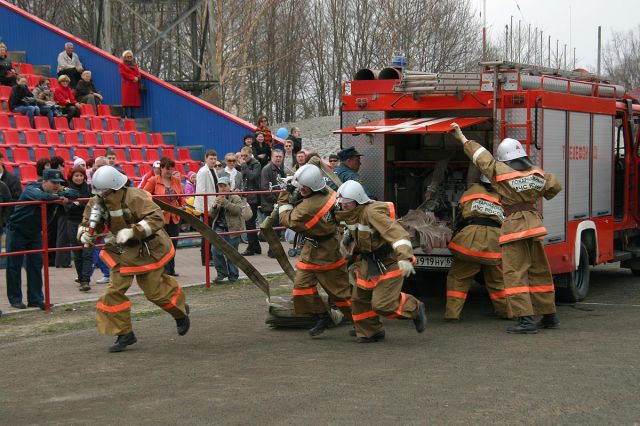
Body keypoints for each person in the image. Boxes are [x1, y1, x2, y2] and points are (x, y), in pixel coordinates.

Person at [450, 123, 562, 334]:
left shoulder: (500, 171)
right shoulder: (538, 173)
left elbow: (481, 158)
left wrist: (462, 138)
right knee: (539, 272)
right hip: (535, 226)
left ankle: (526, 321)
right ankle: (549, 316)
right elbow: (554, 187)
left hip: (515, 228)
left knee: (514, 274)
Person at [79, 165, 190, 352]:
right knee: (113, 292)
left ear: (115, 186)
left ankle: (180, 313)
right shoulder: (97, 202)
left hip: (147, 249)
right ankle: (124, 333)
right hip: (122, 251)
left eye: (104, 191)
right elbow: (89, 222)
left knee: (155, 291)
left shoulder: (135, 196)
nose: (100, 195)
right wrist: (85, 233)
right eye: (98, 191)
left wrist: (133, 231)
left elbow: (156, 219)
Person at [334, 180, 427, 343]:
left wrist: (405, 257)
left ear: (357, 200)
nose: (343, 206)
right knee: (359, 300)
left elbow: (397, 233)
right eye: (341, 203)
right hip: (368, 262)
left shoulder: (371, 213)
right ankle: (370, 331)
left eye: (347, 203)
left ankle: (415, 308)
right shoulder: (349, 213)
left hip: (389, 262)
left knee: (383, 304)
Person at [277, 164, 352, 337]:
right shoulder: (326, 191)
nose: (300, 189)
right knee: (301, 287)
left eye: (304, 187)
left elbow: (287, 219)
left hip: (326, 252)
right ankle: (322, 315)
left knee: (340, 293)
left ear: (312, 186)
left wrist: (283, 196)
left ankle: (364, 323)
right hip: (314, 248)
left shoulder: (307, 208)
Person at [6, 169, 78, 310]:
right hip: (17, 231)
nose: (56, 185)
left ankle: (36, 299)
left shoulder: (54, 192)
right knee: (14, 266)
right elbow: (41, 196)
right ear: (43, 181)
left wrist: (60, 194)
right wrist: (59, 196)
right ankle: (15, 299)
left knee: (36, 265)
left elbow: (75, 194)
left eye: (59, 183)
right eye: (53, 182)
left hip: (35, 233)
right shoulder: (31, 188)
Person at [445, 175, 508, 321]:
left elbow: (460, 211)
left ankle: (452, 314)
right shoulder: (505, 193)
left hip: (470, 239)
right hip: (494, 241)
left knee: (458, 278)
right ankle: (506, 311)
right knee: (498, 281)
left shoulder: (472, 190)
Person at [143, 156, 185, 277]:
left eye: (171, 169)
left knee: (173, 244)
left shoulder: (176, 180)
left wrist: (183, 206)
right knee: (162, 244)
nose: (169, 171)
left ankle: (170, 269)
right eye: (167, 169)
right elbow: (144, 195)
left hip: (174, 217)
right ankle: (162, 270)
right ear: (161, 168)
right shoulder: (153, 180)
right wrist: (155, 209)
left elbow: (181, 195)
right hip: (159, 218)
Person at [209, 176, 244, 283]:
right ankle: (222, 273)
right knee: (215, 251)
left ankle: (233, 277)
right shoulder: (217, 197)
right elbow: (211, 215)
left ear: (229, 186)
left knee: (232, 253)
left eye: (225, 186)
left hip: (233, 229)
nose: (222, 188)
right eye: (220, 186)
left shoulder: (235, 197)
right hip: (219, 228)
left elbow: (237, 211)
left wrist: (225, 203)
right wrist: (214, 207)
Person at [64, 166, 93, 292]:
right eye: (76, 175)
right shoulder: (67, 190)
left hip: (87, 223)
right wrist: (83, 205)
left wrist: (78, 204)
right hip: (73, 223)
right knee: (77, 253)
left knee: (87, 252)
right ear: (72, 177)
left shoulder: (88, 188)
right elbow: (68, 208)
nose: (79, 178)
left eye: (81, 175)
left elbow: (92, 205)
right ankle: (81, 278)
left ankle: (86, 280)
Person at [194, 149, 219, 265]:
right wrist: (206, 209)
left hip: (212, 207)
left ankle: (209, 257)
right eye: (211, 159)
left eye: (215, 158)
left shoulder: (213, 170)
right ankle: (206, 259)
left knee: (210, 233)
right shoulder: (203, 172)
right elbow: (201, 192)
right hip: (207, 208)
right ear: (206, 158)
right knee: (206, 234)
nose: (213, 161)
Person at [260, 149, 286, 258]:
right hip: (270, 204)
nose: (278, 158)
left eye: (280, 156)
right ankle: (273, 252)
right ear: (272, 157)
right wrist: (276, 201)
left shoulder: (281, 169)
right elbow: (264, 187)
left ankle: (274, 251)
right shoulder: (266, 169)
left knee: (277, 230)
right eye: (276, 156)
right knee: (273, 230)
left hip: (278, 203)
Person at [239, 146, 262, 256]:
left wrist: (244, 166)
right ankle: (255, 247)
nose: (243, 158)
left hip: (253, 197)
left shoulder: (256, 164)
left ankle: (251, 247)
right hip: (247, 196)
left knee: (250, 222)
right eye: (242, 156)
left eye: (245, 156)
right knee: (249, 223)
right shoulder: (245, 165)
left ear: (250, 154)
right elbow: (243, 179)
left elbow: (252, 176)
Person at [118, 50, 142, 118]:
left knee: (133, 101)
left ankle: (132, 115)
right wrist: (133, 78)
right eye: (127, 56)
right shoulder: (121, 64)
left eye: (130, 56)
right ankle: (125, 114)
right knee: (126, 101)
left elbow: (138, 73)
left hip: (134, 85)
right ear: (124, 57)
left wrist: (137, 77)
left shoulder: (135, 65)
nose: (129, 57)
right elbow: (123, 73)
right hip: (127, 85)